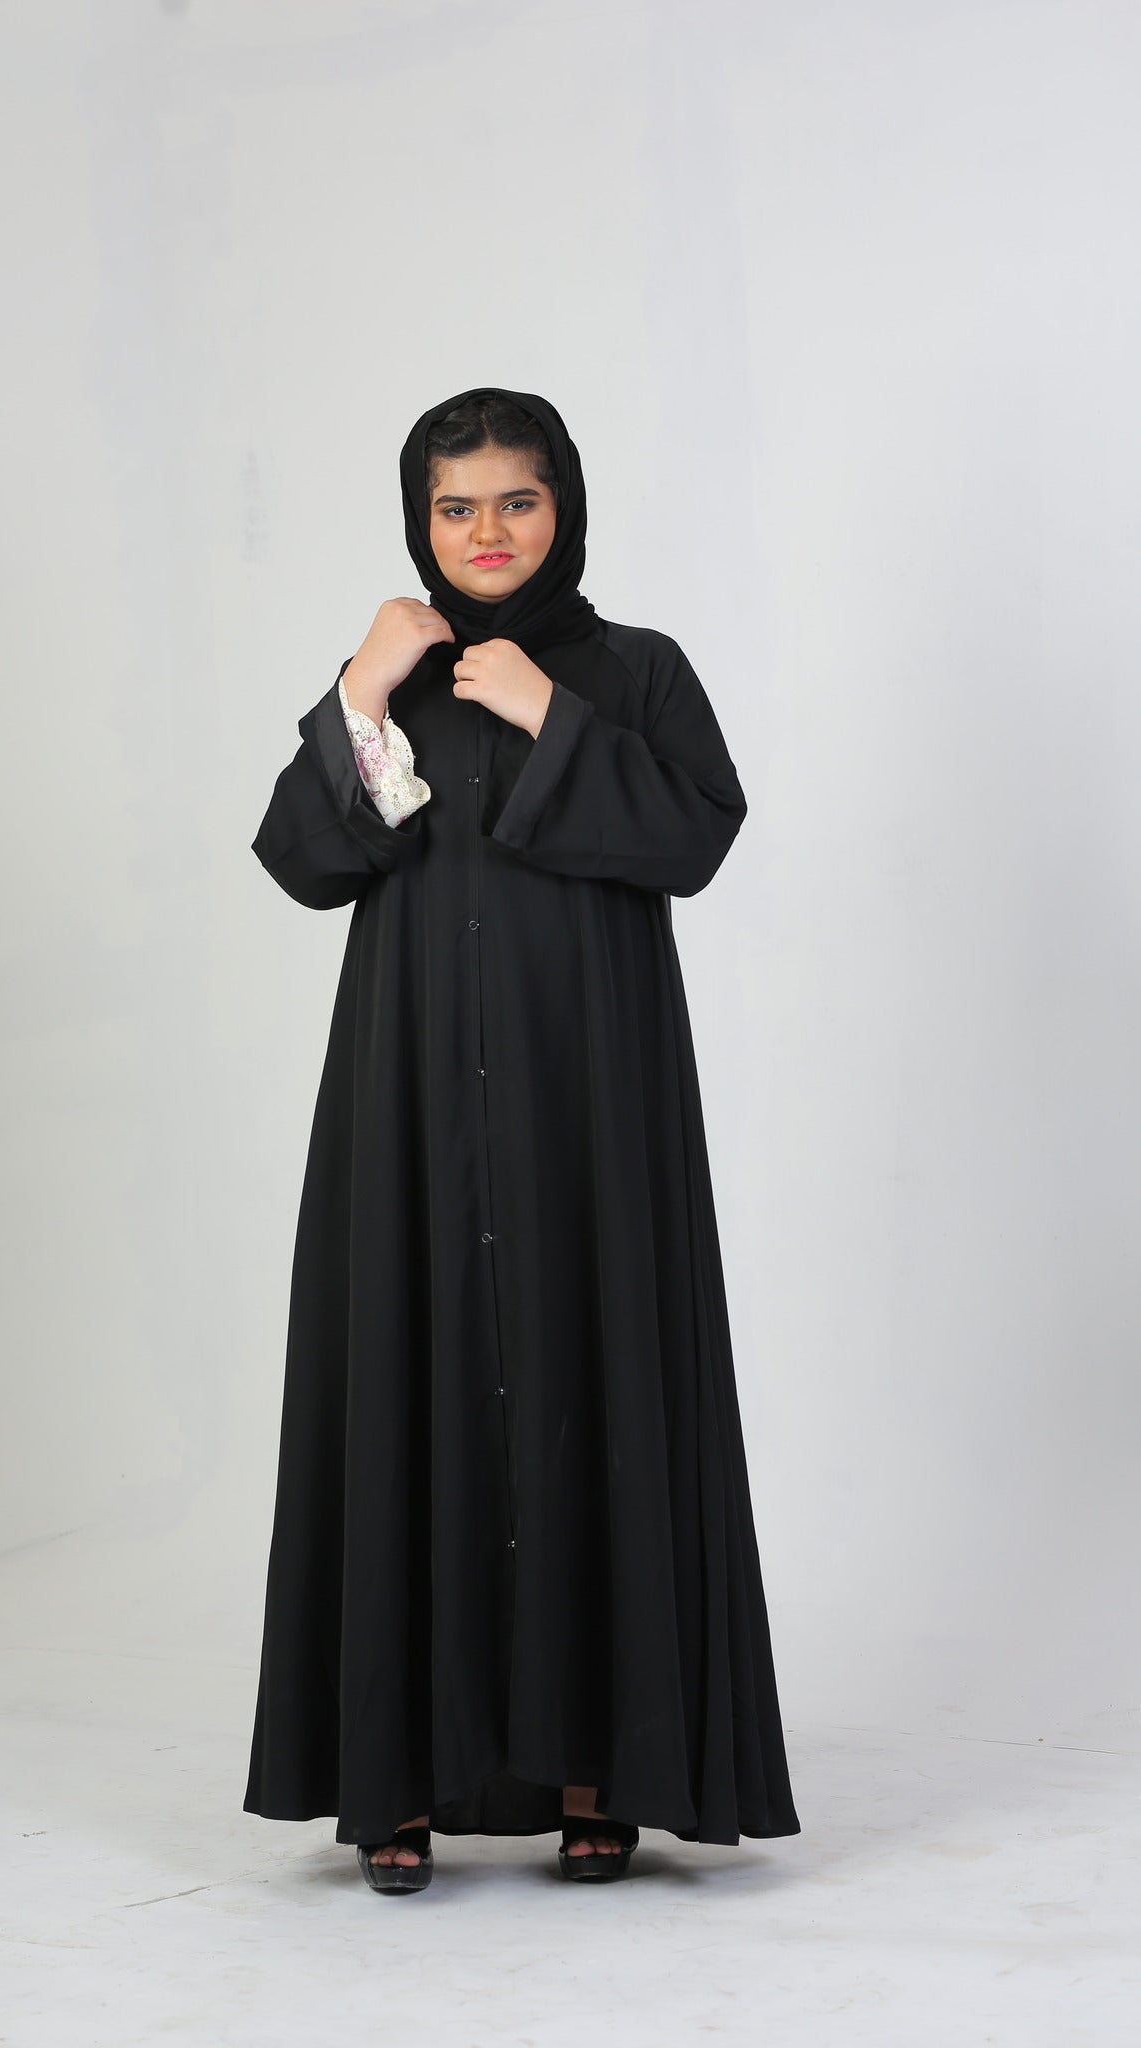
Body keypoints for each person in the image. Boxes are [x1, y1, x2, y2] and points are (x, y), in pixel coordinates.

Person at [244, 384, 801, 1894]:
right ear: (418, 521)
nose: (485, 531)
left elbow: (692, 837)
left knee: (590, 1368)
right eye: (454, 506)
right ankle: (398, 1778)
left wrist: (550, 716)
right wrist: (359, 696)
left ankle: (595, 1767)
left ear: (564, 506)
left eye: (515, 499)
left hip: (590, 1092)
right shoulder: (394, 672)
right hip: (412, 1092)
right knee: (408, 1371)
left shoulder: (634, 670)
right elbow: (305, 861)